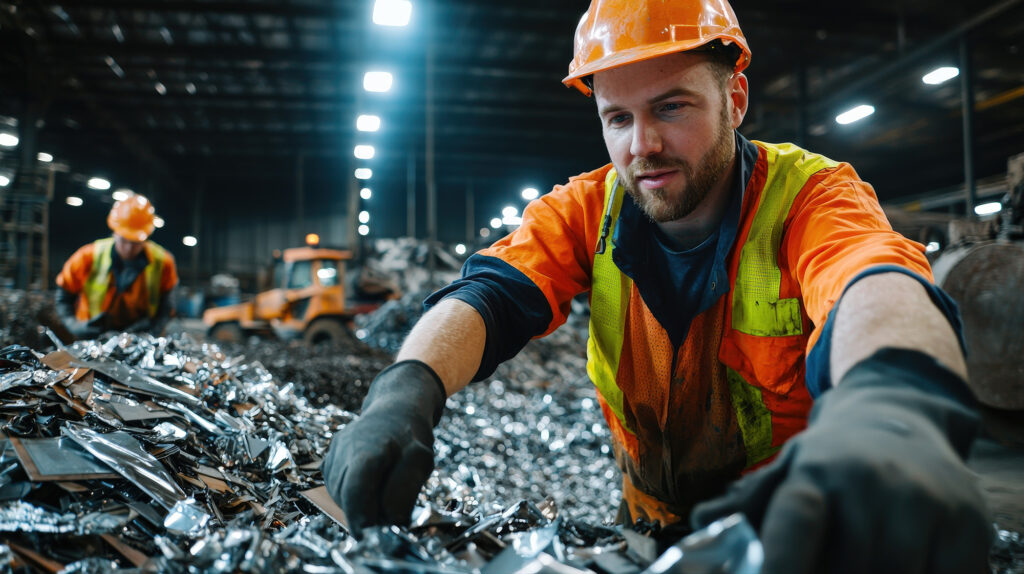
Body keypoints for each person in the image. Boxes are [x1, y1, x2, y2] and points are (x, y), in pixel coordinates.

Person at [323, 0, 992, 571]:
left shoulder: (808, 197)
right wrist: (405, 389)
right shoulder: (590, 209)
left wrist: (895, 406)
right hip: (644, 520)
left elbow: (877, 284)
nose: (642, 145)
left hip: (793, 517)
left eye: (671, 107)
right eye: (618, 118)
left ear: (734, 99)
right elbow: (488, 295)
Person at [56, 192, 178, 339]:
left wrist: (153, 329)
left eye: (135, 243)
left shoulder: (163, 262)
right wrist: (73, 324)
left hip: (139, 339)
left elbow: (167, 306)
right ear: (114, 232)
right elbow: (63, 296)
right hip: (93, 338)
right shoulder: (87, 257)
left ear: (146, 237)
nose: (128, 248)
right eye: (124, 240)